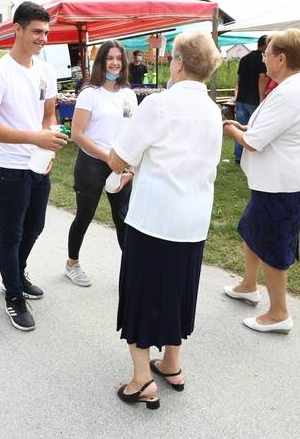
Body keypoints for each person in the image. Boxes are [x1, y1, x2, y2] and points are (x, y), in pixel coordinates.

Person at [107, 31, 223, 410]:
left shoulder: (158, 104)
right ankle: (171, 362)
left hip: (155, 217)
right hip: (193, 218)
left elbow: (118, 157)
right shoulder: (212, 109)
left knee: (141, 293)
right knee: (177, 290)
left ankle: (142, 378)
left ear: (177, 62)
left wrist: (130, 165)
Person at [0, 1, 67, 332]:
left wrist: (51, 137)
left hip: (39, 164)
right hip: (8, 168)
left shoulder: (45, 71)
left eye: (46, 32)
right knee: (11, 234)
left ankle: (15, 272)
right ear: (18, 30)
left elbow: (48, 115)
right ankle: (13, 295)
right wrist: (35, 138)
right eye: (36, 32)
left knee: (35, 227)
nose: (43, 38)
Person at [222, 29, 300, 334]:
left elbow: (254, 141)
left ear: (281, 57)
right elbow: (268, 126)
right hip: (272, 181)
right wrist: (245, 125)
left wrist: (232, 131)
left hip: (281, 184)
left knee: (275, 247)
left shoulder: (292, 91)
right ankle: (249, 285)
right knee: (252, 230)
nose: (263, 57)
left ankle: (279, 313)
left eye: (267, 53)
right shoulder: (294, 86)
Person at [65, 40, 137, 287]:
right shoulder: (90, 93)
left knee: (123, 219)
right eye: (110, 58)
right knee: (84, 215)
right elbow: (78, 134)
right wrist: (108, 157)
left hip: (121, 168)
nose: (115, 63)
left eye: (119, 58)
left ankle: (131, 271)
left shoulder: (128, 94)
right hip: (92, 164)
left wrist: (130, 166)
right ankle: (72, 264)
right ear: (101, 62)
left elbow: (134, 132)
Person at [233, 35, 270, 162]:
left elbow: (238, 80)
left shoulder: (244, 58)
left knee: (239, 128)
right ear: (265, 45)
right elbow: (262, 78)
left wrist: (236, 96)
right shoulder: (262, 59)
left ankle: (238, 156)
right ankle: (250, 158)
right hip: (254, 100)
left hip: (241, 99)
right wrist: (261, 99)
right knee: (254, 129)